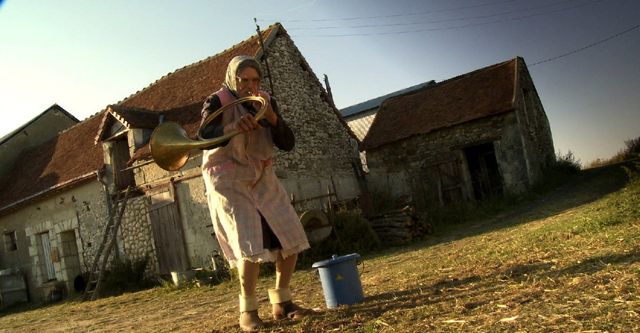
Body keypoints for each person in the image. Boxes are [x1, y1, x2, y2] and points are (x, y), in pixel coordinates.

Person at [199, 55, 311, 332]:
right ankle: (248, 312)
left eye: (255, 80)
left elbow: (287, 143)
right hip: (228, 178)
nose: (250, 85)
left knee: (289, 234)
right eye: (244, 80)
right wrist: (231, 127)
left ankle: (283, 303)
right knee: (248, 243)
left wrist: (272, 118)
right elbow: (203, 136)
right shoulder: (217, 100)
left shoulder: (266, 101)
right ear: (232, 79)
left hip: (261, 175)